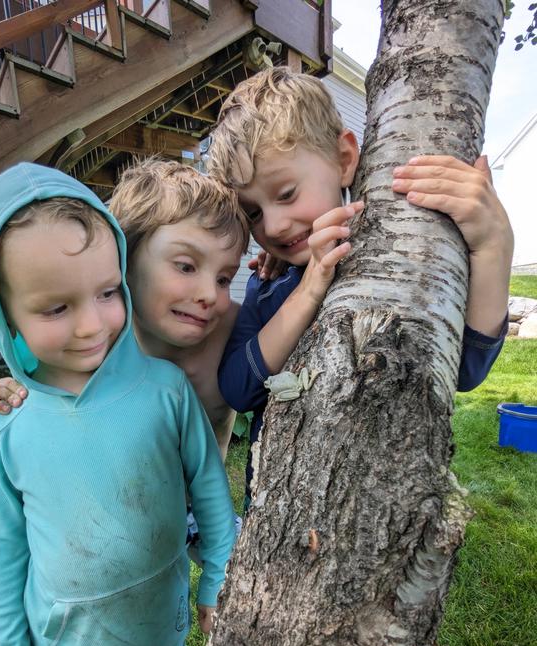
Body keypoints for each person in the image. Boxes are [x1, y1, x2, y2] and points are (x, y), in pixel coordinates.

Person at [0, 162, 237, 646]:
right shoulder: (10, 426)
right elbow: (3, 556)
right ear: (5, 315)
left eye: (108, 292)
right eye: (56, 307)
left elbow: (210, 493)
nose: (92, 325)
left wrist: (218, 574)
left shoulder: (166, 392)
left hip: (153, 629)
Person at [206, 67, 512, 505]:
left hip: (376, 512)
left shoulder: (394, 261)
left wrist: (494, 246)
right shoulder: (269, 284)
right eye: (252, 213)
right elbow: (238, 388)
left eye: (287, 193)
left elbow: (466, 369)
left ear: (344, 160)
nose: (272, 224)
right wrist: (307, 289)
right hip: (278, 510)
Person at [0, 160, 249, 462]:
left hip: (205, 506)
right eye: (185, 266)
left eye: (224, 279)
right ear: (122, 263)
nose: (209, 294)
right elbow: (46, 384)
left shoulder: (234, 327)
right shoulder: (94, 339)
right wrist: (16, 392)